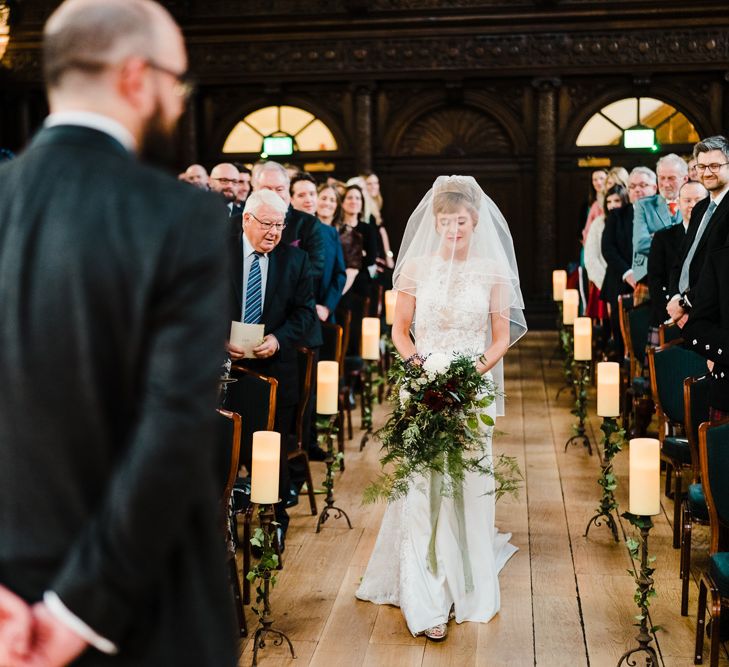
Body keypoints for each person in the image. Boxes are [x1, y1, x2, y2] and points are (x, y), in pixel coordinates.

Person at [0, 1, 236, 665]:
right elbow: (174, 428)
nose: (178, 100)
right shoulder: (181, 217)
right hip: (143, 614)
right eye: (176, 82)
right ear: (136, 77)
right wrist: (80, 606)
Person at [356, 175, 526, 641]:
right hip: (423, 382)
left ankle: (464, 581)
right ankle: (426, 589)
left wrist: (470, 376)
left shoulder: (492, 270)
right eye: (446, 221)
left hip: (472, 389)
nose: (453, 229)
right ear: (435, 222)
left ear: (475, 222)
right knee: (423, 487)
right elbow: (400, 330)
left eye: (462, 222)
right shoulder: (415, 269)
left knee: (468, 483)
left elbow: (499, 337)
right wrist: (421, 368)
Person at [226, 189, 321, 547]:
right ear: (247, 220)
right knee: (222, 446)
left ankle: (273, 520)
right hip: (224, 371)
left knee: (272, 446)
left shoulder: (294, 261)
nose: (274, 232)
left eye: (280, 225)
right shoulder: (219, 254)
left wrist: (279, 339)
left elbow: (305, 314)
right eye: (267, 224)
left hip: (275, 372)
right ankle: (224, 517)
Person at [668, 136, 729, 325]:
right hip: (685, 313)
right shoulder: (701, 207)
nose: (707, 172)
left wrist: (686, 303)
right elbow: (683, 258)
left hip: (715, 316)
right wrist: (675, 297)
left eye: (715, 165)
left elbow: (722, 271)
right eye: (701, 167)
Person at [646, 180, 706, 340]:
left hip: (705, 317)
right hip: (667, 317)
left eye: (699, 200)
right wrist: (676, 313)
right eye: (687, 200)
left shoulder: (716, 238)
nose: (693, 205)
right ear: (678, 203)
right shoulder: (662, 237)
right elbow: (655, 281)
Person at [631, 154, 688, 286]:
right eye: (661, 178)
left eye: (671, 178)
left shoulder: (695, 204)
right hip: (649, 277)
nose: (666, 183)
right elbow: (640, 243)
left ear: (685, 179)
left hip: (686, 276)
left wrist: (657, 237)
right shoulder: (644, 205)